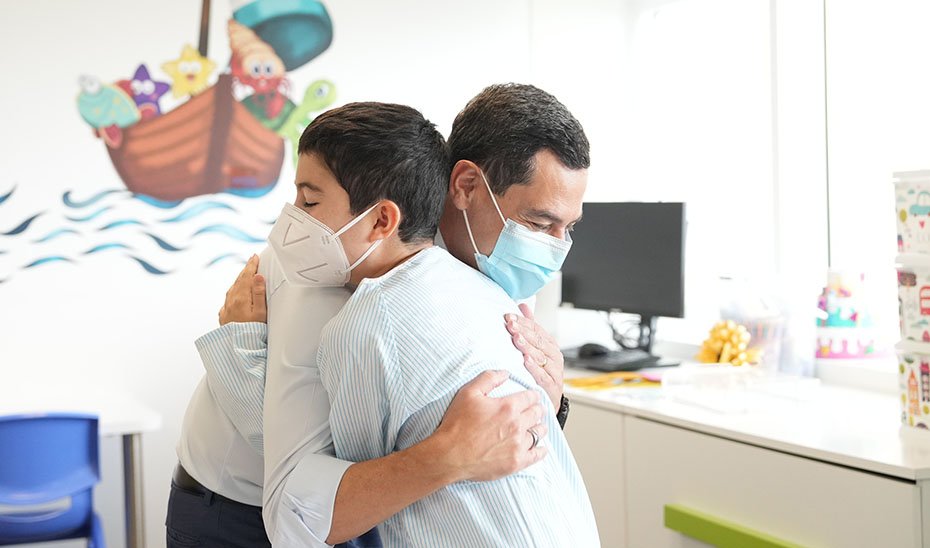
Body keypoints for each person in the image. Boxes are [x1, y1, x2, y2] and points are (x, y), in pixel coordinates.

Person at [180, 83, 590, 546]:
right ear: (466, 187)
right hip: (238, 505)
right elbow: (297, 477)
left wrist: (549, 405)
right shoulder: (344, 261)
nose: (554, 249)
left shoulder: (495, 270)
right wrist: (239, 357)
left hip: (357, 506)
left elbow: (490, 436)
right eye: (537, 225)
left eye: (568, 228)